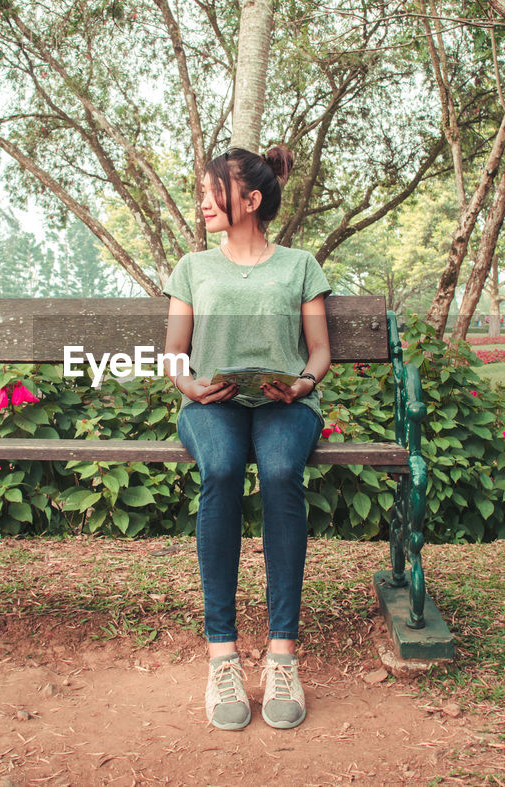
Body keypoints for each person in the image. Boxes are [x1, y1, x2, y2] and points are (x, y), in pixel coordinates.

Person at [162, 145, 331, 732]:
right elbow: (174, 356)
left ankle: (283, 655)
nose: (204, 202)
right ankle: (223, 657)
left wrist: (303, 384)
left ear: (251, 200)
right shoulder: (192, 267)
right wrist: (190, 387)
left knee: (282, 473)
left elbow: (319, 350)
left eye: (215, 191)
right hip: (214, 405)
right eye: (204, 192)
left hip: (286, 403)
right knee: (224, 471)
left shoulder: (300, 265)